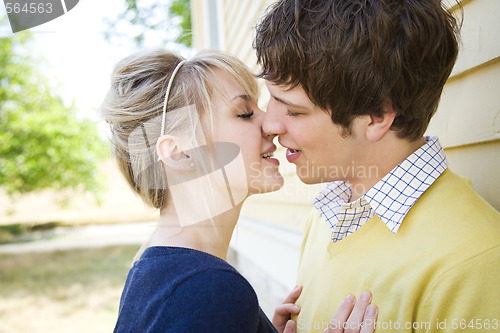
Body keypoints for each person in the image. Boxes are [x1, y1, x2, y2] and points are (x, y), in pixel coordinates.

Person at [254, 0, 500, 332]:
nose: (268, 124)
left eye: (293, 110)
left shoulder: (474, 263)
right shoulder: (326, 215)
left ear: (376, 117)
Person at [100, 49, 378, 332]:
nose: (270, 126)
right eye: (244, 113)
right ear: (179, 154)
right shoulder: (208, 291)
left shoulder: (158, 276)